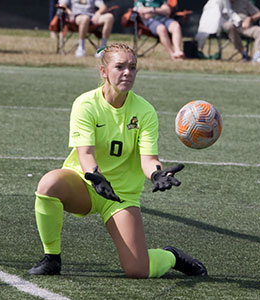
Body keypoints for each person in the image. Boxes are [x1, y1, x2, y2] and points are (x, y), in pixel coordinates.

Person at [28, 43, 208, 279]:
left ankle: (171, 256)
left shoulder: (145, 111)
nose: (127, 73)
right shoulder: (86, 104)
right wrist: (95, 176)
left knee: (138, 270)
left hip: (121, 195)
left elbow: (149, 159)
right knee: (48, 184)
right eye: (120, 67)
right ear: (104, 72)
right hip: (87, 184)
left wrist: (157, 174)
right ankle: (51, 258)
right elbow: (85, 153)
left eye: (132, 68)